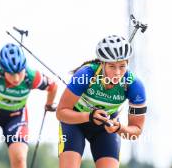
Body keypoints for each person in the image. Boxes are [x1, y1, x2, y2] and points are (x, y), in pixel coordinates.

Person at [57, 35, 147, 168]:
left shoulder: (134, 85)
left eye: (122, 66)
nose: (117, 72)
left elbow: (137, 130)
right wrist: (89, 116)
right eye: (112, 66)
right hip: (75, 122)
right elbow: (61, 113)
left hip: (106, 129)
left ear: (128, 63)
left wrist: (119, 128)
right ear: (102, 63)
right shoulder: (85, 74)